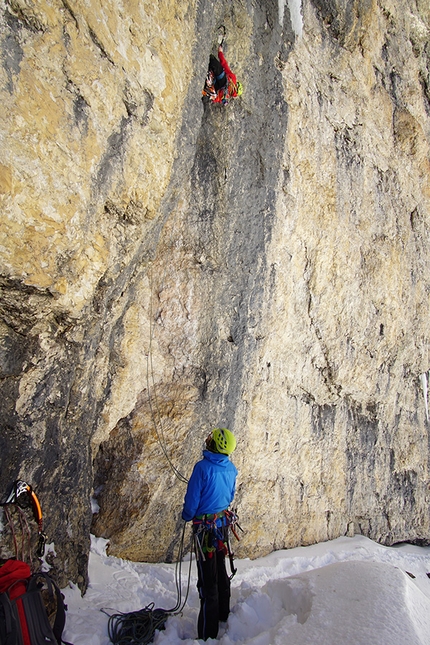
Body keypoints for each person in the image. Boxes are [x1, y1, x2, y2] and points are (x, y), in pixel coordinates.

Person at [182, 428, 238, 640]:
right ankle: (224, 614)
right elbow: (230, 495)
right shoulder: (231, 469)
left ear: (214, 444)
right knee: (220, 568)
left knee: (208, 578)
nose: (207, 439)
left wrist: (187, 515)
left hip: (204, 529)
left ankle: (208, 634)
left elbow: (192, 501)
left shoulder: (202, 468)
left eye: (211, 438)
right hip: (221, 525)